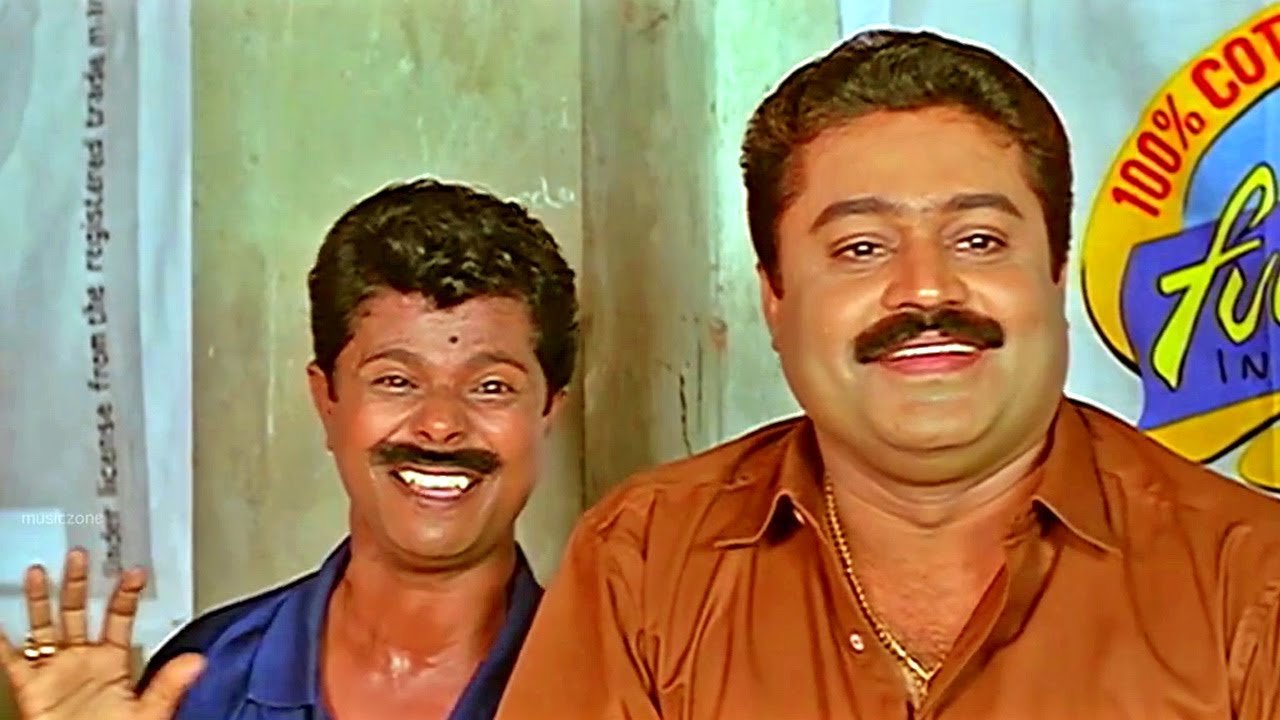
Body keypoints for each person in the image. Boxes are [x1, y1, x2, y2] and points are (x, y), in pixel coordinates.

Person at [493, 28, 1280, 720]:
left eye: (978, 240)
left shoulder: (1248, 579)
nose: (927, 290)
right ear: (775, 298)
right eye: (861, 248)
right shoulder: (643, 565)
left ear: (1054, 274)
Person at [0, 177, 579, 720]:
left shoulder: (604, 683)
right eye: (395, 380)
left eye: (491, 387)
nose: (440, 424)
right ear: (327, 401)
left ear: (549, 411)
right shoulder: (206, 680)